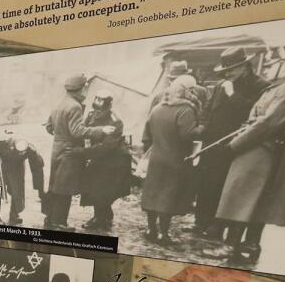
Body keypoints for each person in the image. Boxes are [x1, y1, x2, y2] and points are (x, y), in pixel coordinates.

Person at [215, 48, 285, 265]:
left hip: (265, 152)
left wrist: (234, 145)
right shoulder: (277, 88)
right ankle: (235, 246)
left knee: (254, 200)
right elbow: (256, 120)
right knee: (241, 197)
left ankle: (245, 245)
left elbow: (267, 123)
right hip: (254, 150)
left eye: (274, 61)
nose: (268, 65)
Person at [193, 47, 270, 237]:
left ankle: (217, 225)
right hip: (212, 142)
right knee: (206, 182)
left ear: (245, 66)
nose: (228, 74)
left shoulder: (261, 86)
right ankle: (201, 221)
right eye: (225, 70)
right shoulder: (222, 84)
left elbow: (254, 114)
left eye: (232, 69)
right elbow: (208, 110)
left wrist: (233, 94)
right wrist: (202, 127)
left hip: (235, 143)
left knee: (225, 184)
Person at [140, 76, 205, 244]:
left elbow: (146, 136)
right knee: (167, 195)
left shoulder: (157, 109)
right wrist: (202, 128)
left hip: (156, 158)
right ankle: (163, 233)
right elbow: (187, 135)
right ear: (187, 91)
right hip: (175, 159)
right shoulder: (185, 110)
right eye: (192, 90)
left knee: (153, 194)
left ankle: (150, 229)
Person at [44, 74, 113, 229]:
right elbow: (78, 131)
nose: (86, 91)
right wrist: (101, 130)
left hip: (57, 149)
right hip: (69, 152)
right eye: (85, 88)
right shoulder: (74, 106)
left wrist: (60, 132)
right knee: (65, 189)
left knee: (55, 185)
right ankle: (59, 223)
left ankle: (49, 219)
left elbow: (49, 127)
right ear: (80, 88)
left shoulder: (60, 103)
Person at [79, 91, 129, 232]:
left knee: (102, 188)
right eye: (96, 105)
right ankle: (105, 214)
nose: (97, 111)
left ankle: (99, 218)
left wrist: (86, 153)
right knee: (95, 186)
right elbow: (86, 132)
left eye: (101, 106)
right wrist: (87, 149)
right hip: (97, 156)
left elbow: (108, 146)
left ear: (108, 105)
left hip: (113, 159)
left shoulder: (115, 121)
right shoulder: (90, 115)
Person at [0, 131, 45, 225]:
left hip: (17, 164)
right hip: (0, 159)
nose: (22, 152)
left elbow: (37, 169)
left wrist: (40, 191)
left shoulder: (30, 149)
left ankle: (14, 215)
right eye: (19, 151)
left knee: (17, 187)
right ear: (12, 146)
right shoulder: (0, 142)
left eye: (23, 152)